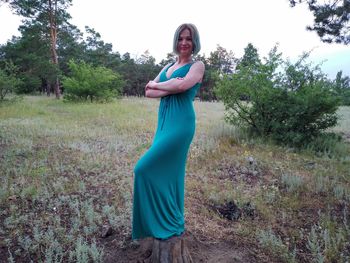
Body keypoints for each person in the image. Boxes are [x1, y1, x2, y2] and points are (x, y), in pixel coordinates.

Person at [132, 23, 205, 241]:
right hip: (163, 123)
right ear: (176, 40)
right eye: (181, 38)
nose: (184, 42)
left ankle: (170, 222)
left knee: (143, 168)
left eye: (189, 39)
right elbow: (147, 92)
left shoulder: (197, 65)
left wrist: (160, 85)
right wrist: (170, 83)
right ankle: (168, 220)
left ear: (194, 43)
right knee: (169, 173)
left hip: (181, 125)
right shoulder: (167, 67)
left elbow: (183, 87)